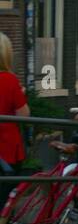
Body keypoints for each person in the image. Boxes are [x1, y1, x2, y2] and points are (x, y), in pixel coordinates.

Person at [0, 33, 31, 205]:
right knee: (5, 200)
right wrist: (21, 95)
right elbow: (23, 115)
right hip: (6, 151)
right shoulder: (9, 81)